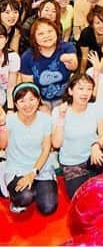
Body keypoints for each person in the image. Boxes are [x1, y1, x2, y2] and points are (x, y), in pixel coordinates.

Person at [0, 82, 57, 215]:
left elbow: (46, 149)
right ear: (15, 103)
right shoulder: (9, 120)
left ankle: (40, 186)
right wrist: (2, 125)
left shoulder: (45, 120)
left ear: (38, 100)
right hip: (17, 168)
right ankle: (16, 197)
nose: (28, 104)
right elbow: (2, 146)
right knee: (24, 197)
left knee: (48, 207)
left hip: (40, 168)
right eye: (22, 100)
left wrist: (32, 173)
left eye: (32, 99)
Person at [51, 73, 103, 197]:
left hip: (92, 155)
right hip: (71, 161)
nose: (85, 93)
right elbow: (56, 144)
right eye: (80, 88)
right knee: (78, 196)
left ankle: (98, 178)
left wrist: (96, 145)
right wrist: (61, 117)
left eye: (89, 89)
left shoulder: (96, 108)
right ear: (71, 91)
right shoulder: (59, 111)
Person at [20, 18, 78, 109]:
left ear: (56, 32)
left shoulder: (66, 47)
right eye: (41, 34)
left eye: (50, 31)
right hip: (41, 100)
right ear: (34, 38)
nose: (46, 36)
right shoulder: (27, 57)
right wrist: (40, 105)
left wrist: (70, 61)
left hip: (65, 99)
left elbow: (74, 66)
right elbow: (29, 87)